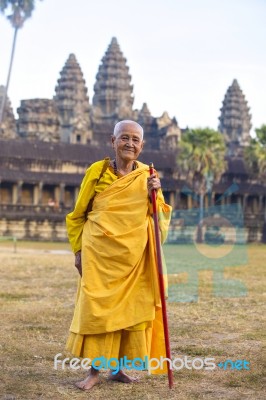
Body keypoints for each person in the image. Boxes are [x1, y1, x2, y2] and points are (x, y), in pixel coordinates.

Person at [65, 120, 172, 390]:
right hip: (99, 255)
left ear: (142, 146)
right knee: (98, 311)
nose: (130, 144)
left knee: (130, 312)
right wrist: (78, 250)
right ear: (112, 142)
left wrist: (154, 194)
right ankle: (94, 371)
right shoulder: (97, 172)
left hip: (135, 258)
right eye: (124, 138)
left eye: (135, 140)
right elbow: (78, 215)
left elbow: (157, 220)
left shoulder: (148, 175)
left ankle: (120, 369)